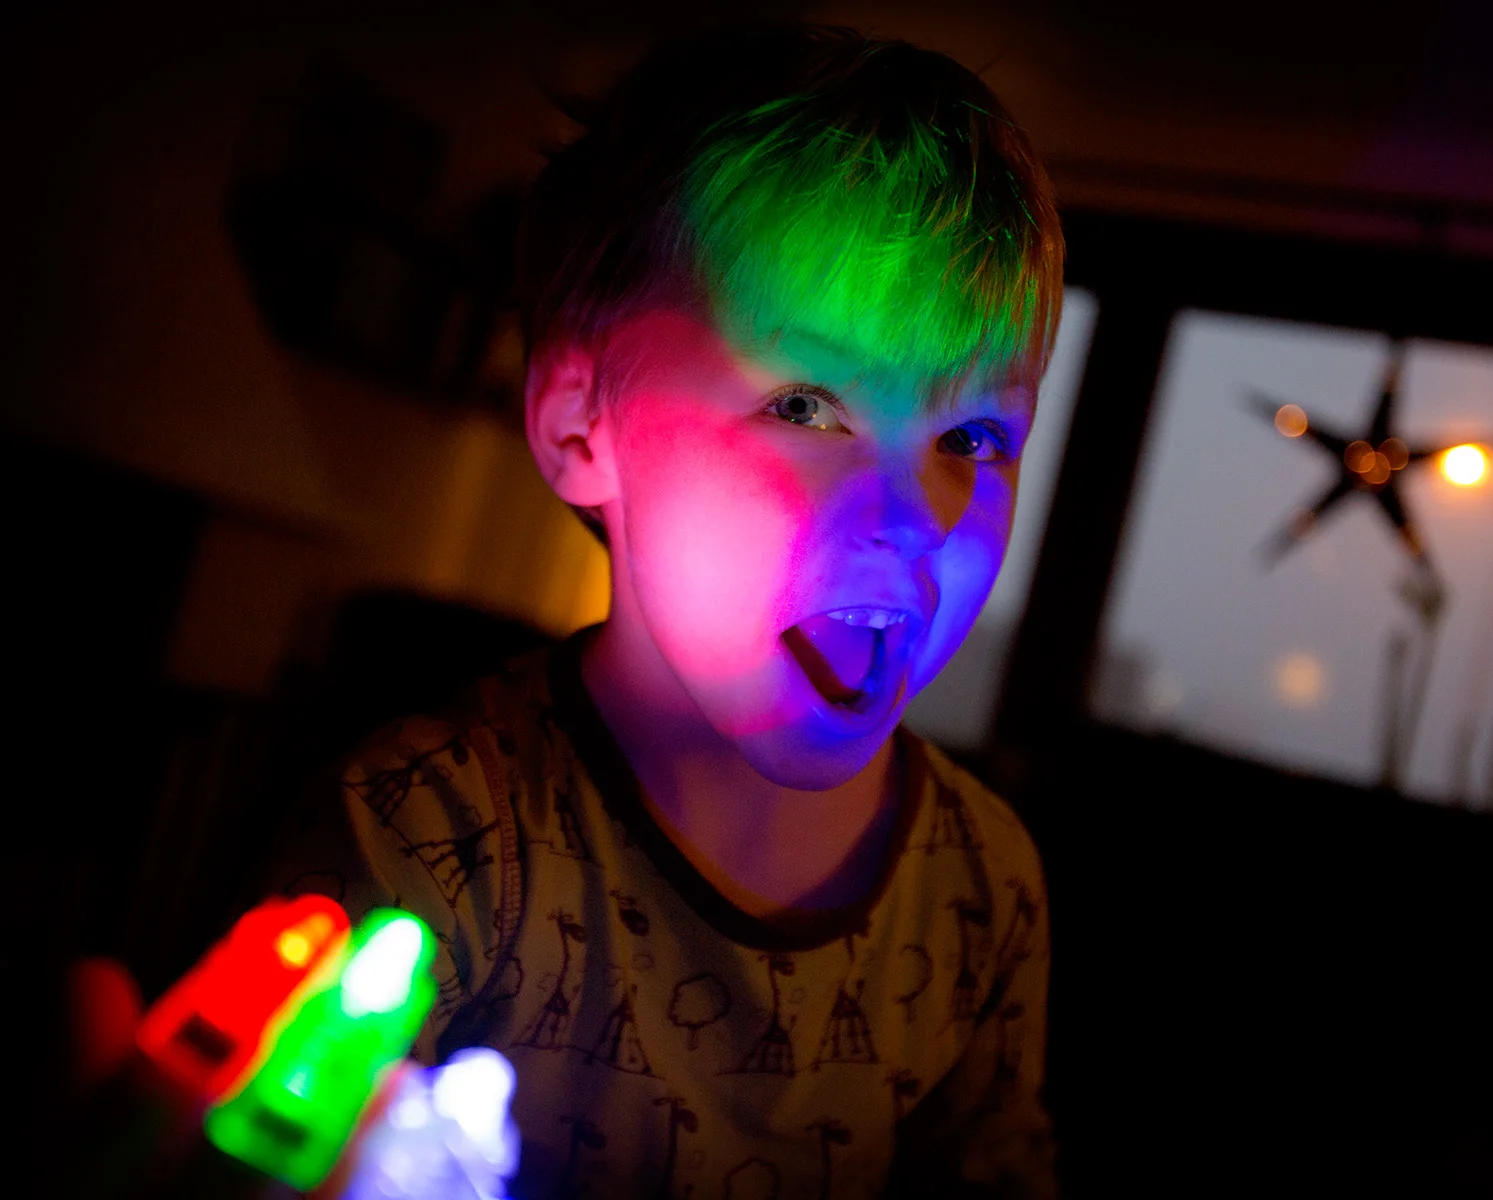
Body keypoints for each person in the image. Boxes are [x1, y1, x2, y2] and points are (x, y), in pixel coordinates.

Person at [271, 22, 1063, 1198]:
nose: (914, 516)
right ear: (581, 423)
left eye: (974, 437)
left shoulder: (985, 885)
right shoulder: (423, 837)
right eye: (807, 405)